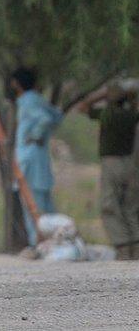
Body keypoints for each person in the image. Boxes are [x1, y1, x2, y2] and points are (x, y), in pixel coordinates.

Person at [80, 82, 139, 259]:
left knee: (110, 205)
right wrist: (129, 95)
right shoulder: (132, 115)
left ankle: (122, 246)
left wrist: (101, 94)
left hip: (111, 164)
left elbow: (83, 107)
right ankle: (136, 246)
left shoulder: (106, 114)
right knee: (130, 206)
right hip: (131, 164)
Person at [9, 67, 62, 247]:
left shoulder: (27, 101)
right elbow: (56, 116)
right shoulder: (39, 99)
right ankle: (54, 242)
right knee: (45, 203)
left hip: (29, 158)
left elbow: (45, 119)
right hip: (39, 157)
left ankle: (38, 244)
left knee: (32, 204)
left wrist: (36, 135)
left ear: (16, 83)